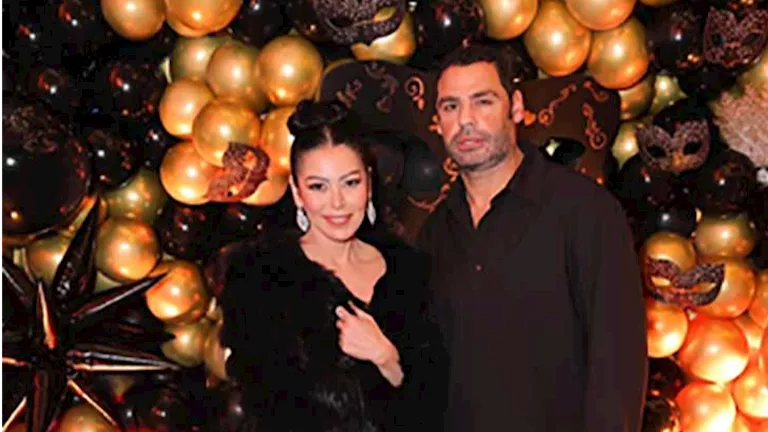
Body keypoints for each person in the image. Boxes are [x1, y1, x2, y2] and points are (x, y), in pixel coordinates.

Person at [416, 44, 648, 431]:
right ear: (438, 121)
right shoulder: (435, 233)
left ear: (516, 107)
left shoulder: (585, 211)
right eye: (451, 106)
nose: (466, 120)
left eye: (483, 101)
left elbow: (617, 364)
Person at [220, 100, 446, 431]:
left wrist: (386, 356)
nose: (337, 202)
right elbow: (266, 411)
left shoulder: (409, 271)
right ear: (297, 193)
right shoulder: (261, 279)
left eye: (350, 182)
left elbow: (432, 405)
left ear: (369, 182)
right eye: (318, 186)